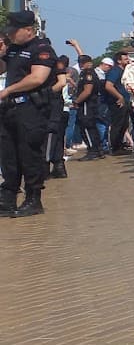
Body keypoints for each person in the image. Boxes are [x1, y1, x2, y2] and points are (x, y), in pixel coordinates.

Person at [1, 11, 58, 217]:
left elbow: (37, 78)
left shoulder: (41, 49)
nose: (10, 35)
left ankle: (33, 199)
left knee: (30, 154)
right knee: (9, 155)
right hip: (9, 110)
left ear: (28, 30)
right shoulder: (13, 49)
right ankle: (7, 198)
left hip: (31, 110)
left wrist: (8, 90)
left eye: (13, 31)